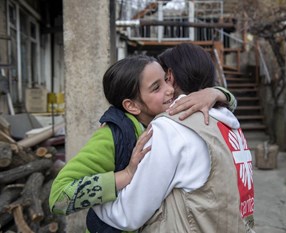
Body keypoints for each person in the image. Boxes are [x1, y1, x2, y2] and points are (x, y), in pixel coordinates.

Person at [49, 54, 237, 232]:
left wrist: (215, 93)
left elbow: (230, 108)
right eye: (156, 88)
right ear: (131, 105)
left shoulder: (161, 124)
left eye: (166, 80)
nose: (170, 89)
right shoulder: (111, 136)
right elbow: (59, 198)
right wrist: (126, 174)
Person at [93, 43, 255, 232]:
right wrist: (218, 92)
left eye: (162, 79)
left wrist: (95, 204)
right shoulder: (228, 121)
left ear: (170, 76)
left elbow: (128, 214)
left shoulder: (171, 127)